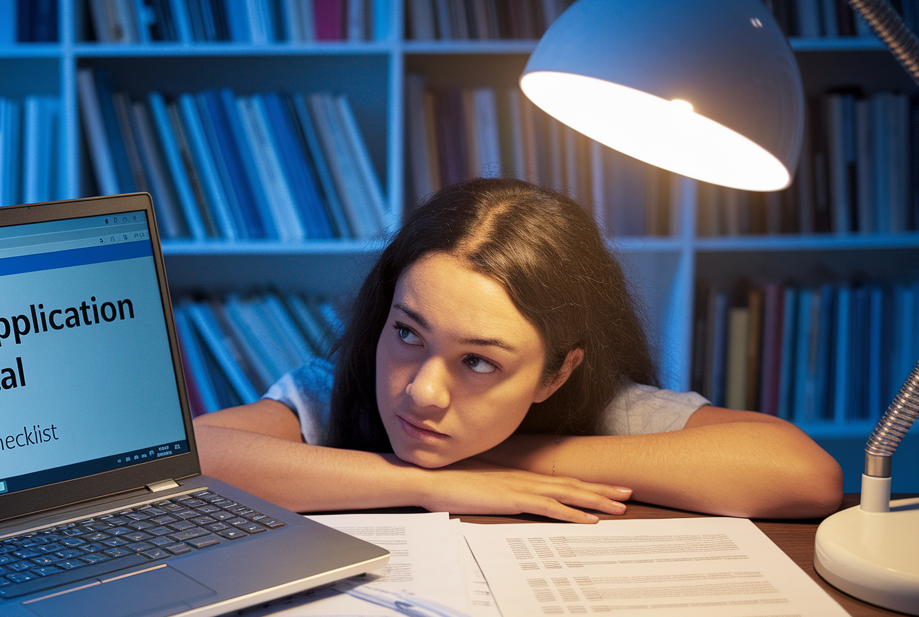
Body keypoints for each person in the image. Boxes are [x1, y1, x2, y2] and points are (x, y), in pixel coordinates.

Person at [194, 178, 843, 522]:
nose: (421, 391)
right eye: (408, 333)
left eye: (478, 361)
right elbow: (191, 456)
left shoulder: (602, 412)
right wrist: (421, 481)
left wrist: (511, 456)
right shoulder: (338, 388)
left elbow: (804, 475)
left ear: (556, 374)